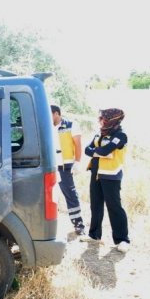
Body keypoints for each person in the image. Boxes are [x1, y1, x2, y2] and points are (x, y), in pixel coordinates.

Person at [81, 108, 130, 253]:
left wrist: (98, 153)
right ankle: (94, 235)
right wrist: (99, 153)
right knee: (95, 204)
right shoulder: (100, 133)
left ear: (112, 120)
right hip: (96, 173)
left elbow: (105, 150)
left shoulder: (121, 135)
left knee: (114, 206)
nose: (100, 121)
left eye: (103, 119)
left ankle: (122, 239)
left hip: (111, 175)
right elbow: (87, 149)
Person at [51, 105, 86, 235]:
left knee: (71, 195)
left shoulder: (71, 125)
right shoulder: (47, 126)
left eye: (50, 114)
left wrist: (77, 162)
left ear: (56, 113)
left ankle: (78, 224)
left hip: (65, 167)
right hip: (51, 166)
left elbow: (78, 145)